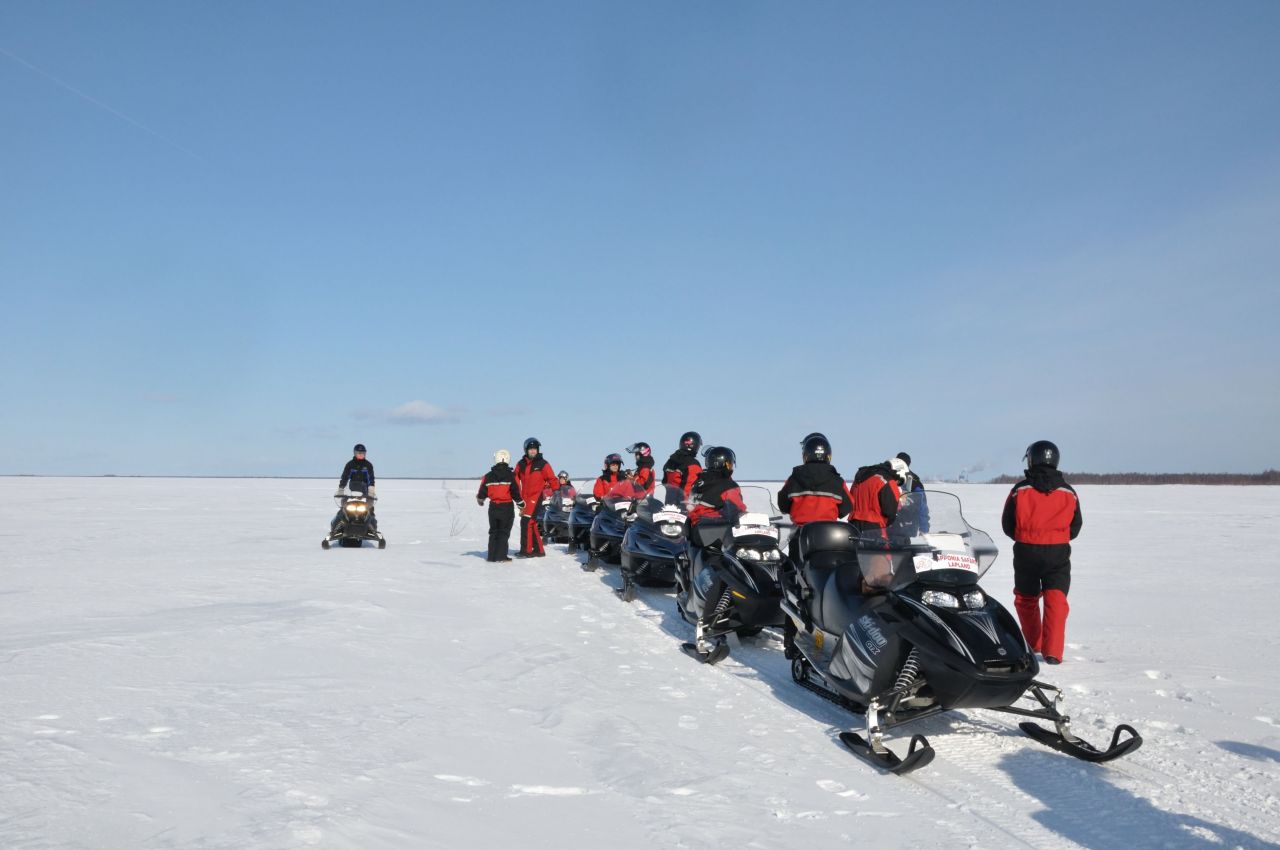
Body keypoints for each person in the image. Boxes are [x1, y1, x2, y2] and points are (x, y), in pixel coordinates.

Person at [1001, 440, 1082, 666]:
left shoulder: (1019, 490)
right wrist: (1056, 537)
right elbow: (1076, 526)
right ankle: (1053, 652)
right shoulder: (1069, 492)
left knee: (1026, 599)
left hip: (1026, 551)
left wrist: (1026, 536)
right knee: (1056, 599)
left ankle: (1033, 645)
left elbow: (1007, 524)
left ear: (1032, 459)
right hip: (1058, 553)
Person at [776, 434, 853, 657]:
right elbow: (847, 507)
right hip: (830, 540)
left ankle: (792, 642)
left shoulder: (795, 477)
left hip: (802, 538)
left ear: (806, 455)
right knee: (829, 586)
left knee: (795, 588)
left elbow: (782, 504)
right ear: (827, 455)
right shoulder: (836, 480)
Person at [686, 446, 749, 660]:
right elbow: (737, 508)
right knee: (728, 568)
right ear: (726, 464)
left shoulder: (699, 481)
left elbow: (691, 505)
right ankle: (714, 613)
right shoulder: (728, 485)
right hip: (718, 531)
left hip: (696, 530)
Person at [513, 437, 558, 557]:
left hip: (536, 496)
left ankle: (526, 551)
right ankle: (539, 550)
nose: (533, 451)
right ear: (526, 450)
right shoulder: (520, 464)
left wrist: (557, 491)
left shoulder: (543, 464)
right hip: (525, 498)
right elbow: (514, 477)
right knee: (531, 522)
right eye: (531, 449)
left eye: (535, 449)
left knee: (526, 522)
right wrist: (515, 491)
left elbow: (552, 479)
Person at [477, 449, 524, 562]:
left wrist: (481, 500)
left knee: (493, 532)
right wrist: (521, 504)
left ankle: (491, 556)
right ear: (507, 459)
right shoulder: (511, 476)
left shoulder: (488, 476)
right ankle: (501, 556)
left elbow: (481, 493)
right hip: (506, 507)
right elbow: (516, 492)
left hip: (493, 508)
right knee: (504, 532)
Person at [848, 457, 906, 534]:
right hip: (874, 529)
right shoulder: (887, 481)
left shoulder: (860, 478)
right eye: (899, 480)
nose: (897, 483)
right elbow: (890, 512)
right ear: (899, 471)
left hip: (853, 526)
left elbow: (850, 500)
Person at [336, 443, 377, 529]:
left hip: (365, 491)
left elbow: (371, 478)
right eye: (359, 453)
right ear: (355, 453)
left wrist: (371, 489)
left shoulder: (368, 465)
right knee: (343, 506)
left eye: (362, 453)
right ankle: (339, 525)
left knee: (370, 508)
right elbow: (345, 477)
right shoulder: (350, 465)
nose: (361, 455)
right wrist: (341, 488)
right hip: (351, 490)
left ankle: (371, 526)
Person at [662, 431, 703, 497]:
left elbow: (664, 482)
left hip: (669, 504)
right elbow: (690, 489)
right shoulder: (693, 464)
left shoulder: (671, 460)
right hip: (684, 505)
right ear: (696, 445)